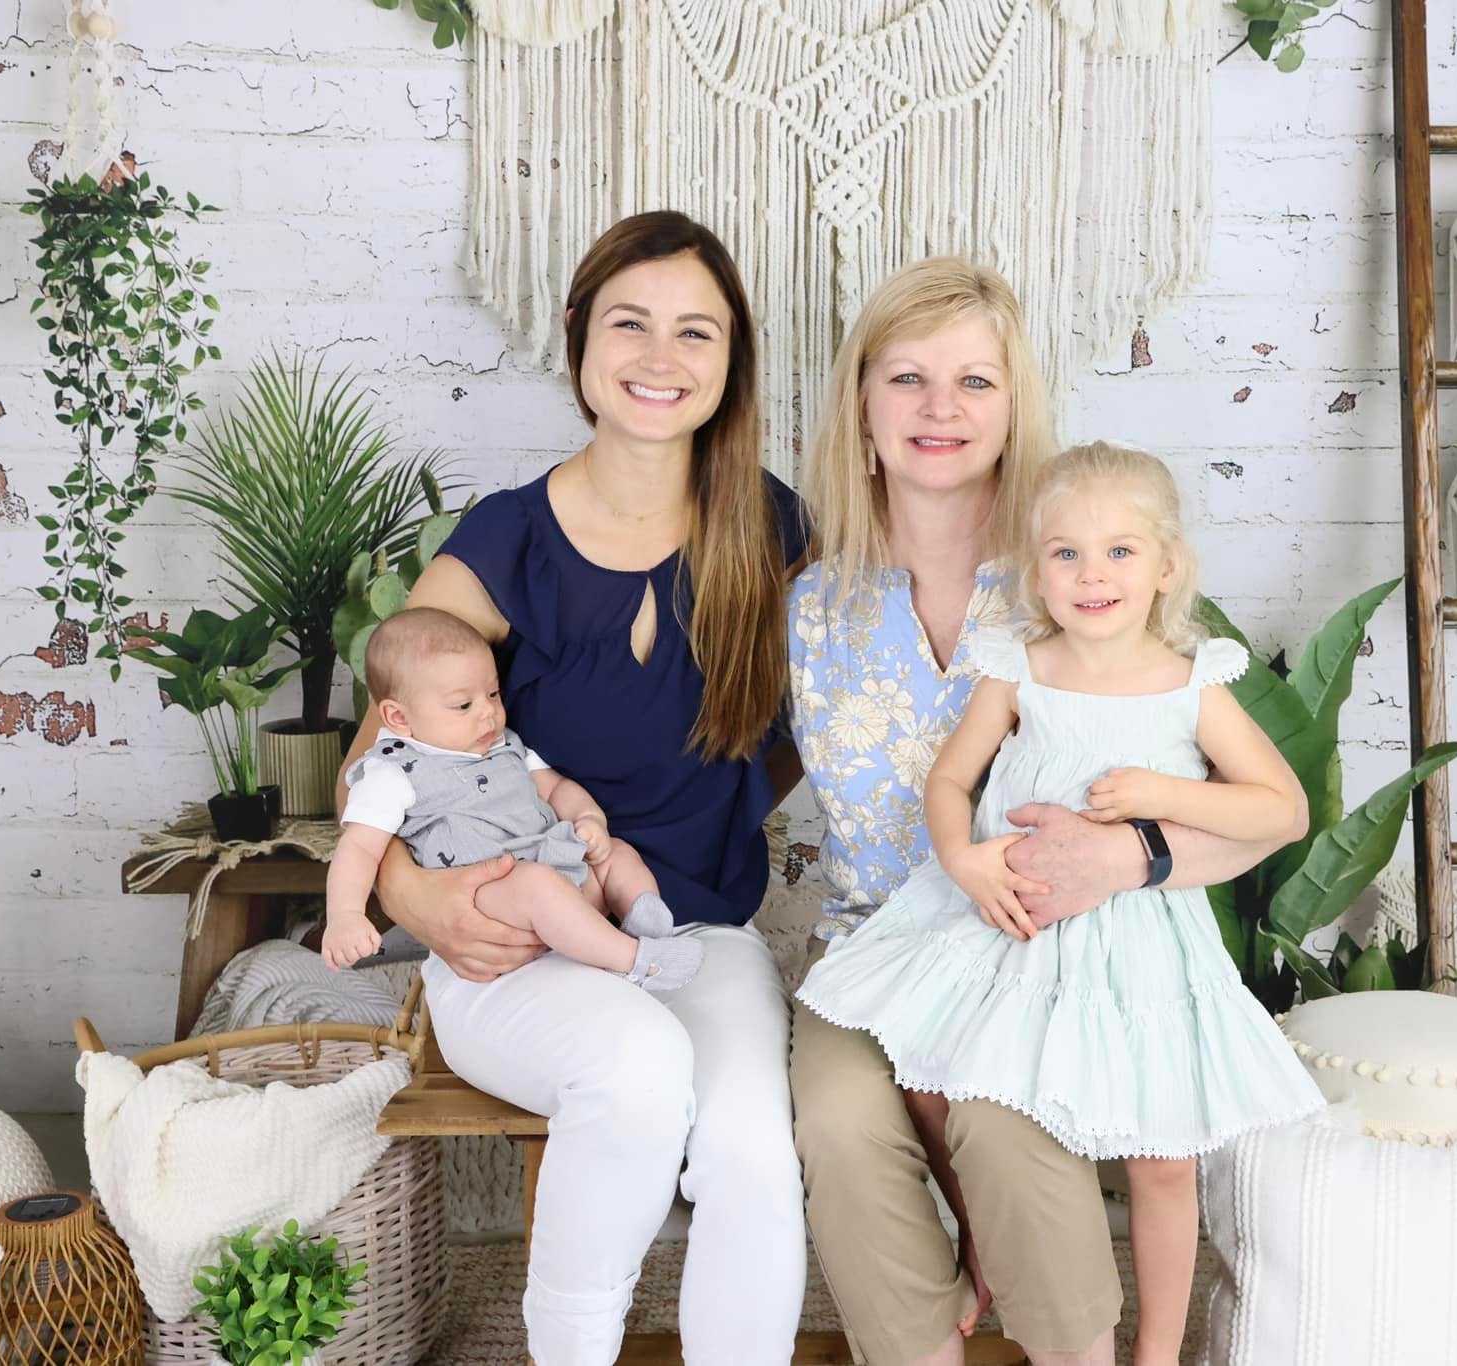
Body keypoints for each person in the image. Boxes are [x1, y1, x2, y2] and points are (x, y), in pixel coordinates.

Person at [787, 259, 1300, 1366]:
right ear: (861, 406)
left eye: (974, 380)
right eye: (906, 378)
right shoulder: (814, 603)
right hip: (875, 944)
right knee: (834, 1120)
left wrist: (1132, 854)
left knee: (1006, 1124)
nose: (939, 408)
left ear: (1014, 404)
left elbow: (1244, 801)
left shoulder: (1085, 571)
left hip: (1048, 948)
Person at [337, 211, 810, 1365]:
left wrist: (720, 816)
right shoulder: (505, 539)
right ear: (579, 340)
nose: (660, 356)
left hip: (694, 926)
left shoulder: (770, 524)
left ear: (731, 360)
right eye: (629, 323)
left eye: (695, 332)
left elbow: (802, 731)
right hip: (512, 942)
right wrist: (414, 897)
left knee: (752, 1146)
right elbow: (375, 758)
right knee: (638, 1075)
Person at [321, 607, 699, 991]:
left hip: (557, 863)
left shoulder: (503, 744)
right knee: (537, 888)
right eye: (463, 705)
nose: (488, 712)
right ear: (398, 718)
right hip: (494, 893)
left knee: (618, 853)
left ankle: (648, 923)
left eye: (492, 693)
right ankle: (634, 962)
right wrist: (345, 915)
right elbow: (360, 850)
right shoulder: (393, 773)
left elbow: (554, 788)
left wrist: (589, 820)